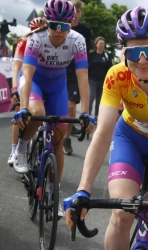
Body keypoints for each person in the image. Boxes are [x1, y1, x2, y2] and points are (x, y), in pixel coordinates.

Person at [63, 6, 148, 250]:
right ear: (123, 51)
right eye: (134, 52)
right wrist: (83, 189)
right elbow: (103, 132)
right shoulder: (116, 75)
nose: (142, 60)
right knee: (121, 214)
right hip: (130, 139)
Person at [11, 0, 94, 217]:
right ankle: (22, 146)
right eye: (54, 25)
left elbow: (82, 78)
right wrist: (24, 107)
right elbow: (27, 74)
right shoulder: (36, 39)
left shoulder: (78, 41)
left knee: (57, 139)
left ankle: (53, 191)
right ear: (46, 23)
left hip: (58, 86)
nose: (59, 31)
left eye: (64, 26)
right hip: (35, 81)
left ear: (71, 25)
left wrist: (85, 111)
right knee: (37, 114)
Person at [7, 17, 47, 167]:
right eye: (37, 31)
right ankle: (14, 149)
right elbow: (17, 67)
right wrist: (15, 89)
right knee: (20, 109)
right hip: (25, 78)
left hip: (42, 80)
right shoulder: (24, 43)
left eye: (43, 30)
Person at [63, 0, 92, 155]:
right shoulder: (60, 26)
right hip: (59, 68)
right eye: (73, 10)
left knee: (70, 106)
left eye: (78, 10)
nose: (75, 13)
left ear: (81, 12)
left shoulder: (85, 31)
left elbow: (85, 54)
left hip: (75, 71)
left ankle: (67, 137)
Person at [88, 36, 112, 124]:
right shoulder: (91, 55)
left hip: (102, 80)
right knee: (91, 96)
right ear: (96, 44)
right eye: (100, 43)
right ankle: (88, 115)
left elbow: (110, 68)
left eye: (103, 43)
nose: (101, 45)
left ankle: (97, 116)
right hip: (91, 79)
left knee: (100, 99)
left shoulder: (106, 56)